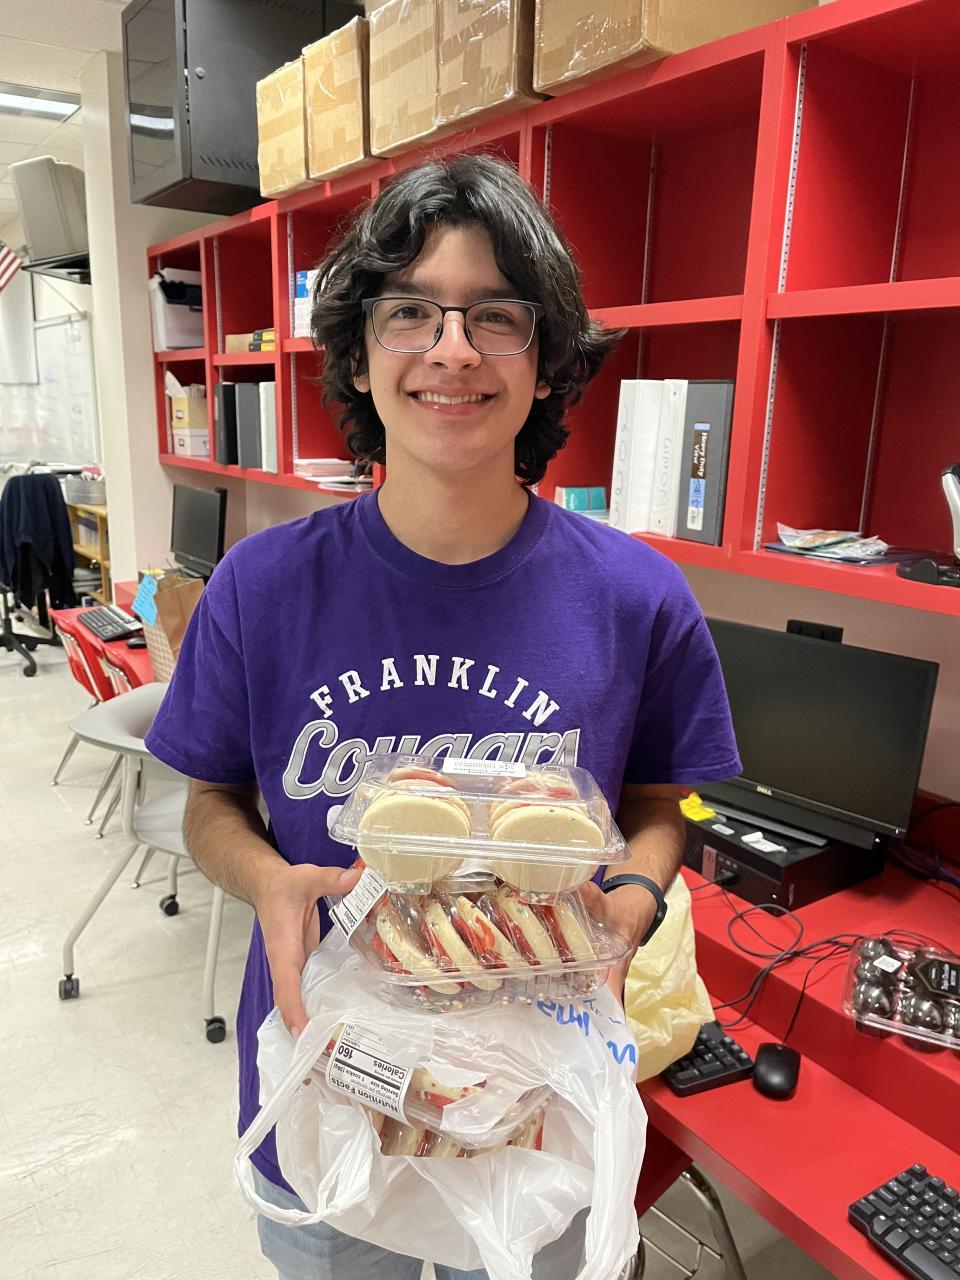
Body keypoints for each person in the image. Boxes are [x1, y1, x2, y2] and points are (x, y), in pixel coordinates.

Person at [145, 153, 741, 1280]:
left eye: (495, 316)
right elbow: (210, 800)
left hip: (536, 1088)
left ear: (545, 362)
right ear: (359, 355)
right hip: (331, 1077)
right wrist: (268, 880)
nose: (452, 349)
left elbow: (661, 806)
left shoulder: (637, 597)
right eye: (411, 311)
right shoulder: (263, 586)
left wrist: (627, 906)